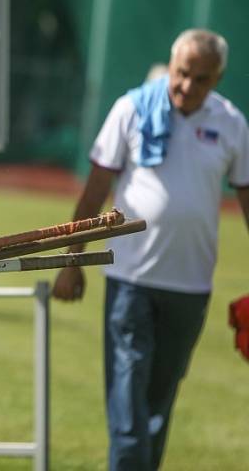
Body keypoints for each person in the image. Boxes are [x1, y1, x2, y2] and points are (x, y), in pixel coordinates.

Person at [52, 29, 249, 470]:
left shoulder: (232, 123)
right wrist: (72, 260)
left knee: (160, 401)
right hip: (130, 278)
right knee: (127, 394)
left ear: (217, 78)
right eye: (182, 73)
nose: (187, 86)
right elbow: (93, 195)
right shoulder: (132, 109)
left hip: (191, 284)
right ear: (171, 65)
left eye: (201, 79)